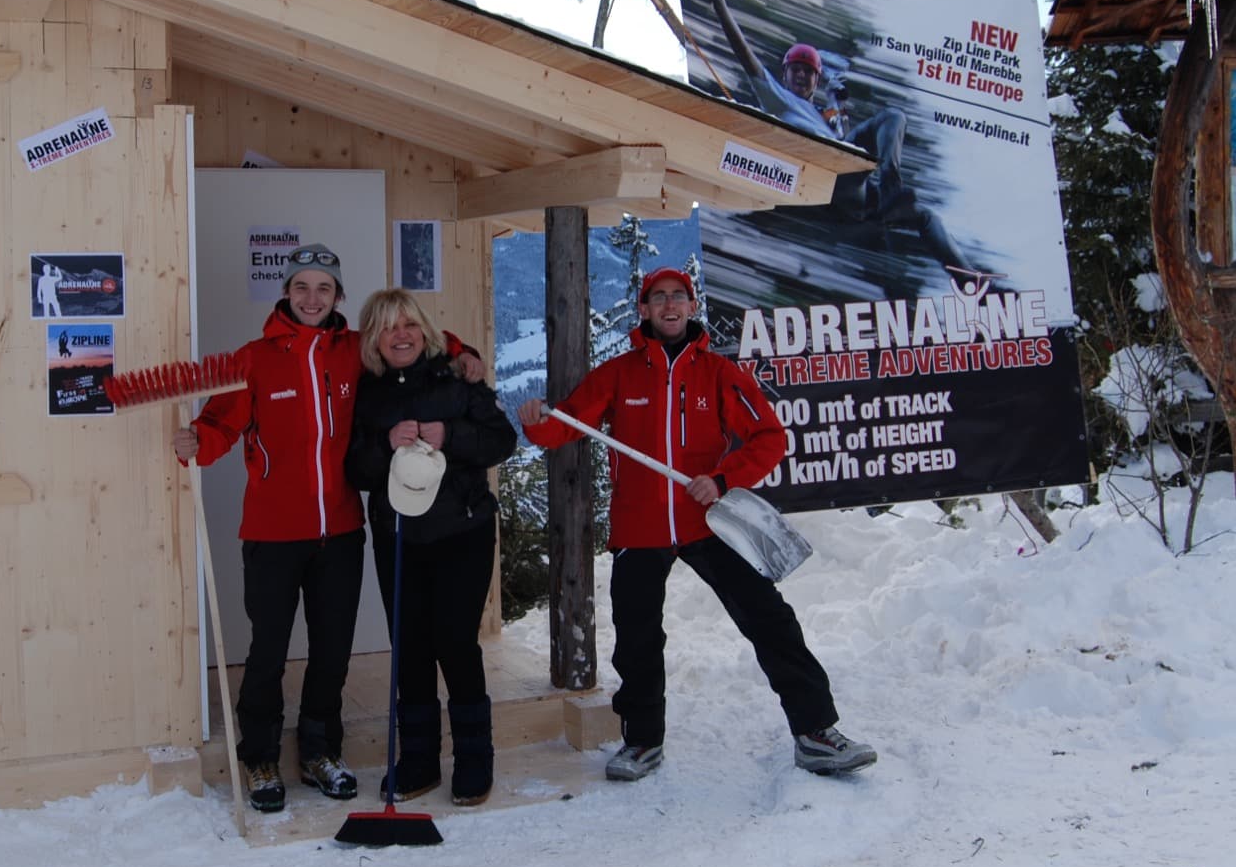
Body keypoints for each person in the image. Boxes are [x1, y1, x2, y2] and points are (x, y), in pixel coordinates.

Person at [517, 266, 877, 782]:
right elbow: (565, 425)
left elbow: (770, 438)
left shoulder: (719, 373)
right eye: (658, 298)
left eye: (678, 298)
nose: (668, 306)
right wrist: (536, 421)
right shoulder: (619, 374)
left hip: (708, 522)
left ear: (690, 307)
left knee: (770, 621)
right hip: (639, 527)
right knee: (638, 638)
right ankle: (642, 741)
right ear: (643, 309)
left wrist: (723, 478)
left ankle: (817, 732)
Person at [172, 245, 483, 813]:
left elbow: (412, 340)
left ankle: (320, 751)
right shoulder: (255, 359)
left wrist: (465, 353)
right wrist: (197, 442)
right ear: (286, 294)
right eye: (301, 288)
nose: (312, 298)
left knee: (332, 650)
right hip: (272, 532)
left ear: (338, 297)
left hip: (339, 530)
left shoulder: (352, 352)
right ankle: (261, 756)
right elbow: (218, 424)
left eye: (323, 288)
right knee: (266, 650)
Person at [346, 289, 518, 807]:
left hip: (461, 532)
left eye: (409, 325)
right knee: (411, 649)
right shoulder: (367, 392)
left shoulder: (457, 376)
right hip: (399, 537)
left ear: (425, 330)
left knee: (456, 643)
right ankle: (418, 760)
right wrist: (382, 446)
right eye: (388, 327)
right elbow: (355, 469)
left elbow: (502, 441)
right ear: (374, 338)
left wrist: (448, 435)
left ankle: (473, 760)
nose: (401, 335)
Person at [703, 0, 981, 284]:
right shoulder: (777, 98)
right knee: (850, 151)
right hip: (825, 177)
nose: (801, 77)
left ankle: (969, 277)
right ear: (784, 74)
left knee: (895, 122)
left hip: (855, 185)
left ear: (816, 80)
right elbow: (746, 58)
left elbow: (844, 137)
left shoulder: (824, 115)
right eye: (795, 70)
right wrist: (720, 4)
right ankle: (887, 196)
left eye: (808, 73)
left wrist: (839, 113)